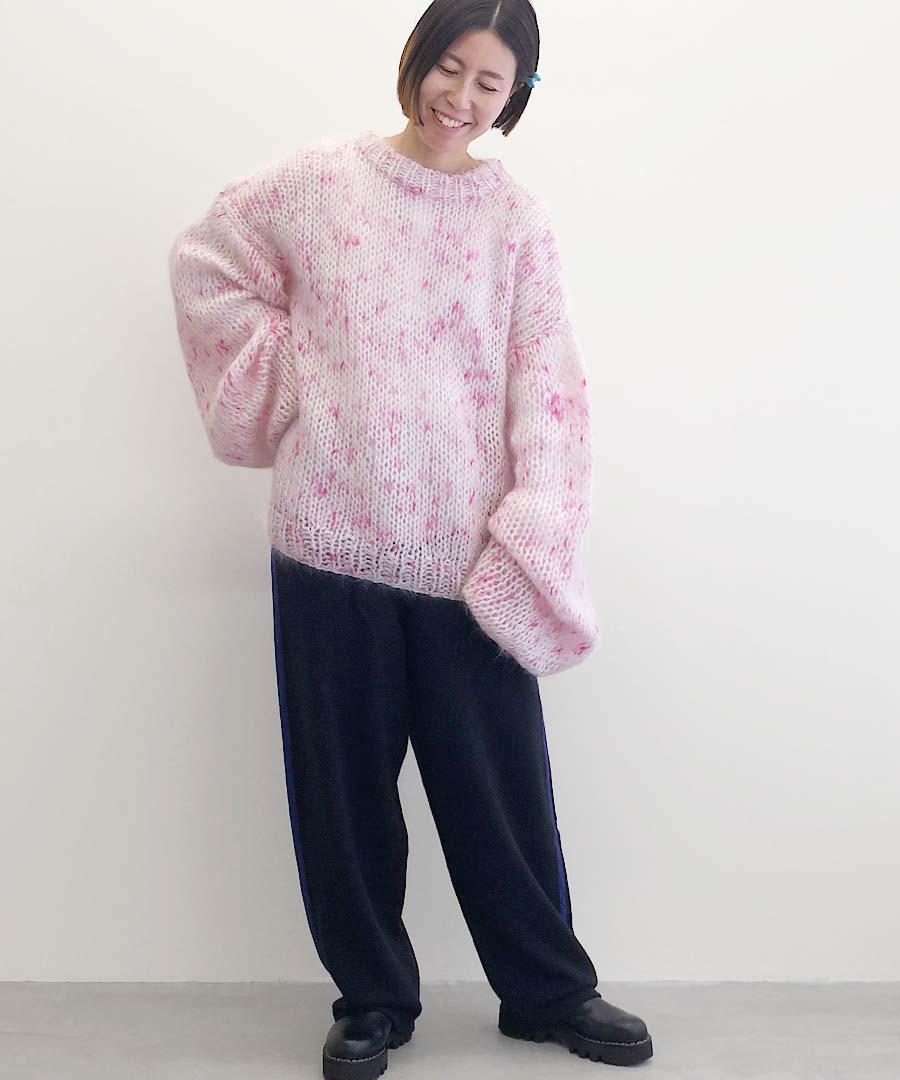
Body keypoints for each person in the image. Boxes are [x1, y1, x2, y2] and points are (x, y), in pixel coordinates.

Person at [168, 0, 653, 1074]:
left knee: (503, 796)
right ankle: (373, 1000)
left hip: (469, 562)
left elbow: (550, 391)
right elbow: (207, 262)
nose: (460, 97)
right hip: (327, 545)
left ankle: (548, 990)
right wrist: (300, 375)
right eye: (450, 67)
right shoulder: (316, 182)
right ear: (417, 60)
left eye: (490, 82)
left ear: (515, 98)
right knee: (341, 795)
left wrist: (533, 531)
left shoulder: (515, 222)